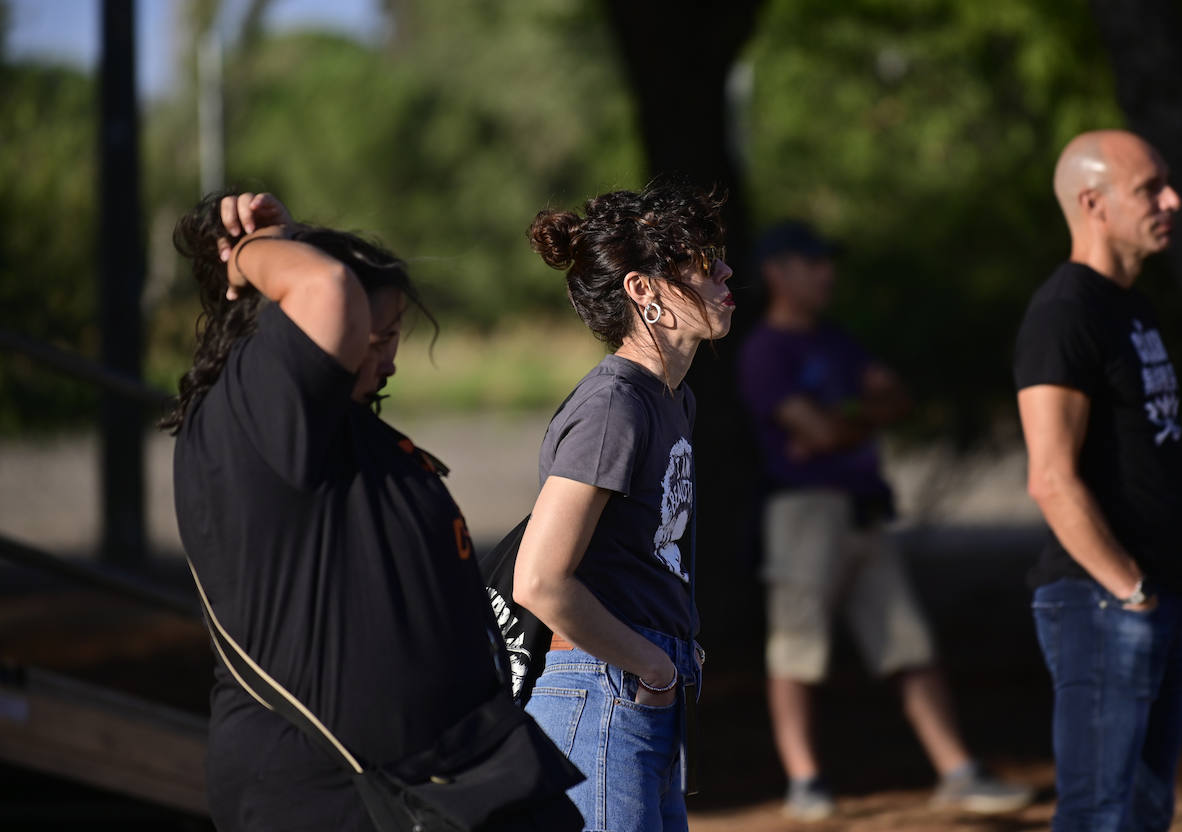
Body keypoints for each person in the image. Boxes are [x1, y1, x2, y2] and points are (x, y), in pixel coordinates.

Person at [165, 191, 579, 831]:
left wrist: (292, 243)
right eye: (373, 336)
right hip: (325, 791)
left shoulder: (318, 427)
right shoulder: (254, 413)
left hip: (442, 775)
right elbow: (327, 289)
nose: (386, 358)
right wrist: (245, 257)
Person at [737, 221, 1034, 821]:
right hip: (803, 515)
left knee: (909, 644)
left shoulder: (837, 340)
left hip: (863, 512)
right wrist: (849, 420)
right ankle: (805, 781)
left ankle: (957, 770)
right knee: (796, 651)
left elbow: (889, 402)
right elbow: (819, 428)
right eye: (812, 263)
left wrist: (839, 420)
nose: (827, 274)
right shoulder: (767, 350)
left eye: (827, 262)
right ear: (777, 273)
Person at [1014, 129, 1182, 831]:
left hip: (1150, 595)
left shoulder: (1132, 309)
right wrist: (1132, 592)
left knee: (1146, 811)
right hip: (1101, 603)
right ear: (1093, 203)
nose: (1173, 199)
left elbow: (1134, 457)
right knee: (1099, 813)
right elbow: (1050, 479)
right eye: (1151, 187)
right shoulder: (1065, 313)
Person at [512, 180, 734, 832]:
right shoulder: (615, 404)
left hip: (635, 686)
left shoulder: (671, 399)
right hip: (603, 686)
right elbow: (539, 579)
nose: (723, 271)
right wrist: (655, 666)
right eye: (699, 258)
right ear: (643, 290)